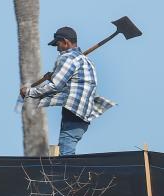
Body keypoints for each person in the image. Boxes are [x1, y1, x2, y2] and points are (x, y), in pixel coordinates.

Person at [20, 26, 115, 155]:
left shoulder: (67, 58)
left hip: (74, 112)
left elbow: (56, 86)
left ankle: (68, 174)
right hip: (84, 114)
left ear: (65, 42)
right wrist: (52, 76)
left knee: (66, 150)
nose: (57, 49)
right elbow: (71, 82)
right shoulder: (84, 60)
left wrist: (30, 92)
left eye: (58, 44)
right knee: (64, 148)